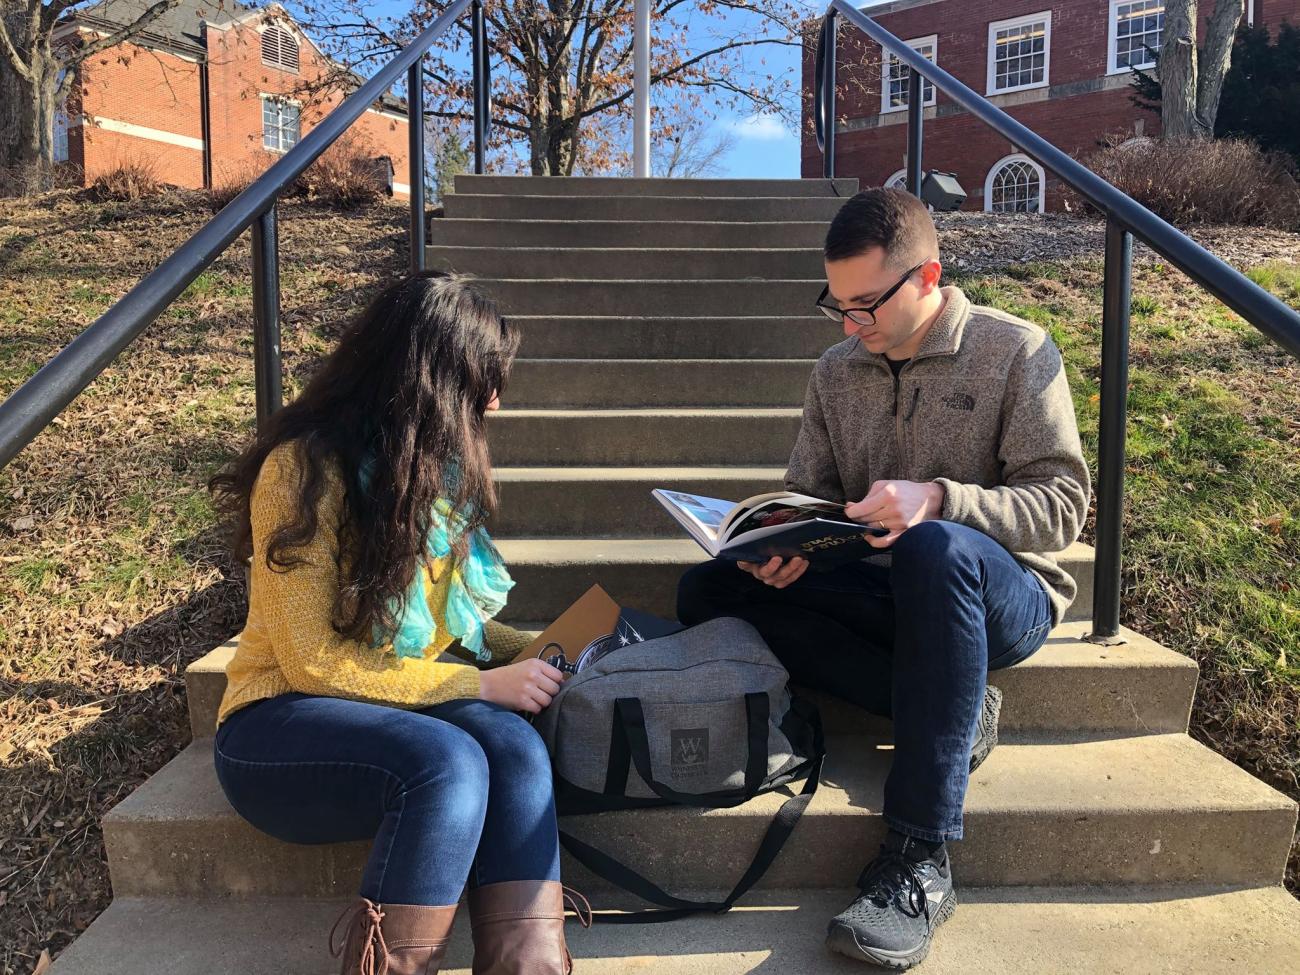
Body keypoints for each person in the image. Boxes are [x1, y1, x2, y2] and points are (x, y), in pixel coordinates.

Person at [676, 188, 1090, 970]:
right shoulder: (837, 371)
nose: (848, 325)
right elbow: (813, 493)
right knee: (710, 590)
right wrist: (789, 542)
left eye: (865, 304)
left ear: (928, 275)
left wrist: (939, 498)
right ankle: (953, 710)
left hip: (1001, 591)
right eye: (836, 305)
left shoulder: (1016, 350)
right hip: (880, 584)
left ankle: (918, 858)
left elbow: (1064, 505)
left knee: (935, 547)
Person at [208, 271, 586, 975]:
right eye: (484, 384)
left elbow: (452, 632)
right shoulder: (302, 472)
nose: (495, 404)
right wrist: (481, 685)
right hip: (276, 725)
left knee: (513, 745)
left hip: (391, 707)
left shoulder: (431, 476)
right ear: (432, 381)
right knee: (449, 763)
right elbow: (310, 663)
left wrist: (552, 651)